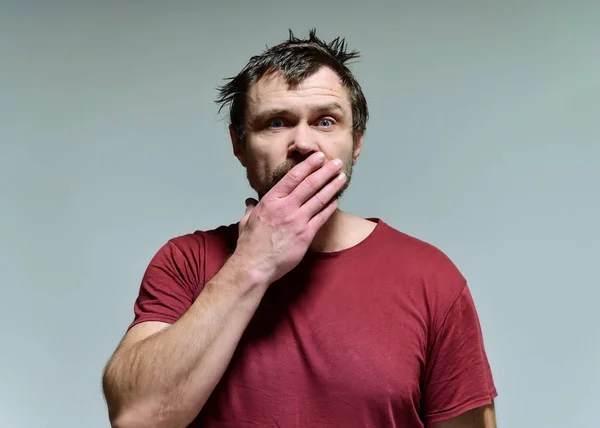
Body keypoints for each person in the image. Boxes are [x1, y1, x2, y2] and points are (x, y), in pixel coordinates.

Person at [102, 29, 498, 428]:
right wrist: (251, 265)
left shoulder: (430, 278)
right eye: (276, 123)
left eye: (326, 121)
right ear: (239, 145)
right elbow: (136, 418)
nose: (304, 143)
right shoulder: (185, 262)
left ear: (356, 141)